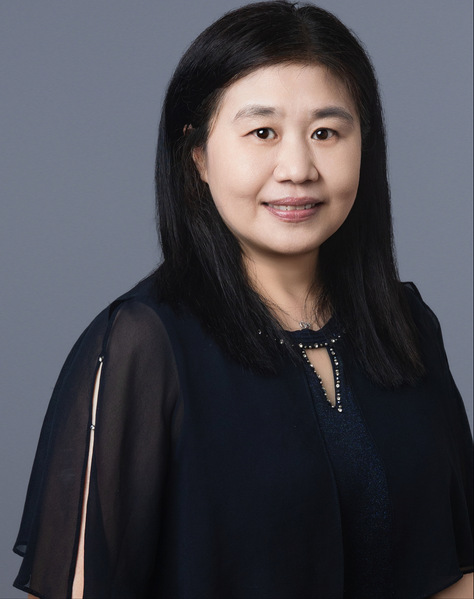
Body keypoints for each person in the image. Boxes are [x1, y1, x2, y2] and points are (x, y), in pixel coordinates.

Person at [13, 2, 472, 598]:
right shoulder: (145, 345)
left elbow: (458, 572)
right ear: (198, 155)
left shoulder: (406, 326)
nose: (298, 168)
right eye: (263, 133)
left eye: (325, 133)